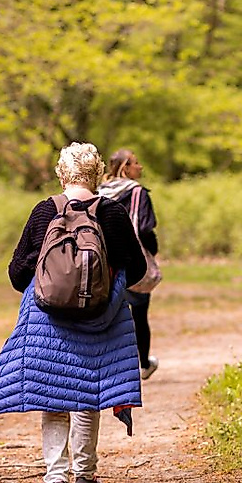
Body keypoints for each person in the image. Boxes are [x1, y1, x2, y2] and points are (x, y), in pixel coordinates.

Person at [0, 142, 148, 483]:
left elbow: (18, 273)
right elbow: (138, 270)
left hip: (49, 320)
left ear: (62, 175)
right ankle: (85, 475)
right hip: (102, 318)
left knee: (54, 398)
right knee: (88, 394)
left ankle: (55, 481)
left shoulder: (44, 211)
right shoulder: (111, 213)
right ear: (97, 175)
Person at [99, 148, 160, 381]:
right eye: (136, 163)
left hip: (104, 260)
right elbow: (145, 228)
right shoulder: (138, 193)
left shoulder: (99, 192)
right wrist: (150, 252)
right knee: (139, 313)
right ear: (125, 167)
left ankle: (111, 364)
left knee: (110, 313)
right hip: (132, 259)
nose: (140, 167)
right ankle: (143, 364)